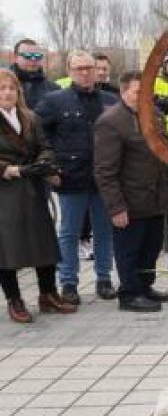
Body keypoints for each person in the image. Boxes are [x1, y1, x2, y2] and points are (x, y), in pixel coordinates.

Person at [36, 50, 119, 304]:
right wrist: (50, 168)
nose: (85, 73)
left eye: (89, 68)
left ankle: (104, 279)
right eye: (79, 68)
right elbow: (39, 136)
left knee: (104, 231)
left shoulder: (110, 100)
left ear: (96, 70)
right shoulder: (54, 101)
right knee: (69, 233)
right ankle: (69, 283)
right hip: (70, 178)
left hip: (103, 178)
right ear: (69, 71)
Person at [93, 71, 168, 313]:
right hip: (130, 200)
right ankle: (129, 293)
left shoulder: (155, 116)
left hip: (156, 197)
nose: (144, 97)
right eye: (138, 92)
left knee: (151, 248)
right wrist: (116, 207)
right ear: (124, 92)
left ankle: (145, 286)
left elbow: (165, 152)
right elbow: (104, 171)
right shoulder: (111, 122)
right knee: (129, 250)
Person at [0, 68, 76, 323]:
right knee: (8, 247)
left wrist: (44, 164)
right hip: (6, 190)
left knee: (43, 241)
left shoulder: (29, 116)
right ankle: (15, 299)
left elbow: (45, 145)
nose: (8, 93)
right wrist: (6, 169)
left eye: (11, 88)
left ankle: (48, 294)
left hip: (33, 186)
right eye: (2, 88)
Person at [10, 39, 59, 111]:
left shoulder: (53, 89)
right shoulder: (4, 85)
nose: (33, 59)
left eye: (37, 56)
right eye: (27, 56)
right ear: (15, 58)